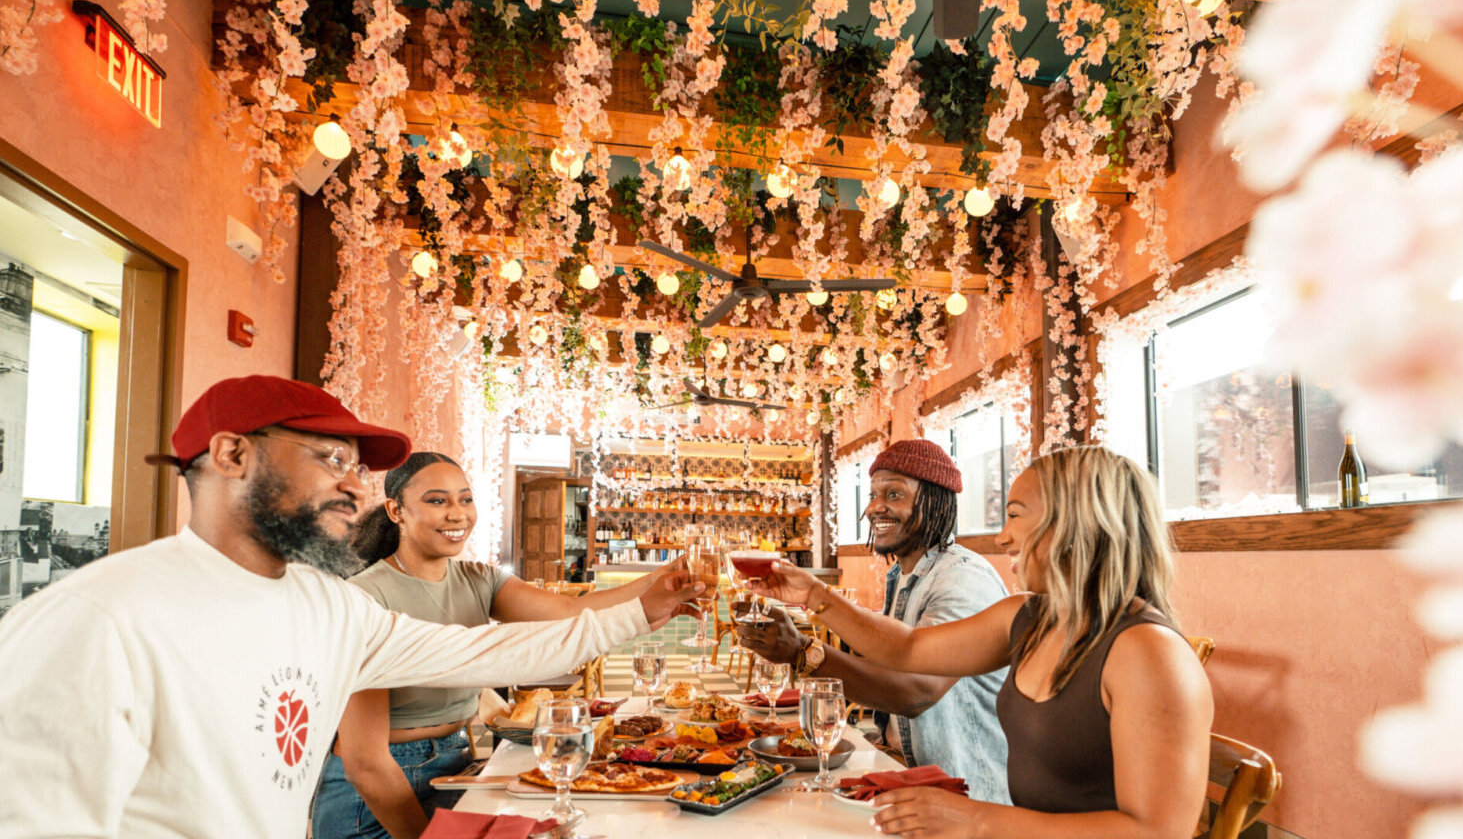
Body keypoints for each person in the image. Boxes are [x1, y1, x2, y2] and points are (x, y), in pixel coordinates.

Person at [0, 376, 697, 838]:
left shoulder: (325, 606)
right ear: (233, 453)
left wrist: (646, 610)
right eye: (330, 458)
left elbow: (489, 651)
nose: (352, 486)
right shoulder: (101, 620)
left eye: (356, 468)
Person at [749, 445, 1214, 839]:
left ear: (1075, 521)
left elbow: (1156, 832)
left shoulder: (1148, 653)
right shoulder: (1029, 618)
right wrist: (813, 594)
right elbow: (909, 649)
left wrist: (977, 818)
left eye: (1015, 516)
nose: (1002, 535)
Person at [315, 451, 688, 839]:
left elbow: (568, 611)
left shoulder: (479, 579)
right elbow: (365, 764)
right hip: (373, 800)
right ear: (396, 510)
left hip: (455, 764)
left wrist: (659, 581)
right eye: (437, 500)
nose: (457, 513)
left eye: (465, 499)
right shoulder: (365, 596)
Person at [736, 438, 1013, 804]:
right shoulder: (902, 575)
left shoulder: (962, 578)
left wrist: (803, 651)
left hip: (967, 801)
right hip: (910, 782)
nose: (874, 508)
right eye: (873, 495)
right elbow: (892, 660)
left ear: (935, 502)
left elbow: (914, 692)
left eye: (894, 494)